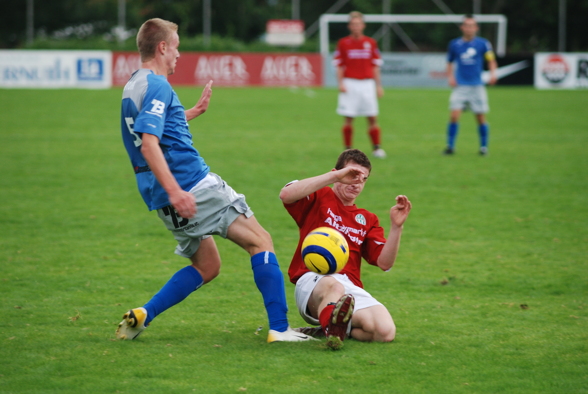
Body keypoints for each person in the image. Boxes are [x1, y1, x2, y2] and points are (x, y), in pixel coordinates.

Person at [116, 18, 314, 343]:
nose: (179, 53)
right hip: (190, 185)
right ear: (162, 47)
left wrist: (189, 112)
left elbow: (148, 131)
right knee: (260, 241)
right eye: (176, 46)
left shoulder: (133, 84)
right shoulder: (158, 85)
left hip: (159, 198)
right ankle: (280, 328)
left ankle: (142, 315)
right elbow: (150, 144)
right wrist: (177, 189)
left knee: (208, 266)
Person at [279, 149, 412, 349]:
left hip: (349, 288)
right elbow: (286, 194)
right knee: (334, 285)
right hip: (314, 279)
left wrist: (397, 227)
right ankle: (332, 334)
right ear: (338, 173)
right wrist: (333, 177)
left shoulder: (367, 219)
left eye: (363, 179)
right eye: (352, 175)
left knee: (384, 331)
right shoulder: (319, 195)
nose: (357, 182)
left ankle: (327, 327)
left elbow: (385, 263)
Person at [334, 11, 386, 159]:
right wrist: (341, 83)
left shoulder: (370, 43)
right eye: (353, 24)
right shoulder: (343, 43)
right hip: (350, 83)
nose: (356, 26)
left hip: (367, 84)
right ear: (349, 26)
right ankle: (347, 151)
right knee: (349, 117)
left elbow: (375, 66)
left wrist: (378, 86)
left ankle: (377, 148)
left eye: (358, 24)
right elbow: (339, 65)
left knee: (372, 117)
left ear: (363, 25)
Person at [444, 14, 497, 156]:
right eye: (466, 25)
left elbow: (491, 60)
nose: (469, 28)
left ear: (476, 28)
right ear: (462, 27)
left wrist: (493, 74)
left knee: (480, 117)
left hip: (477, 85)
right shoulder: (455, 44)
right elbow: (449, 62)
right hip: (460, 85)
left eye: (472, 25)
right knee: (454, 115)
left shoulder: (483, 44)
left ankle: (483, 147)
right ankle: (450, 147)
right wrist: (450, 77)